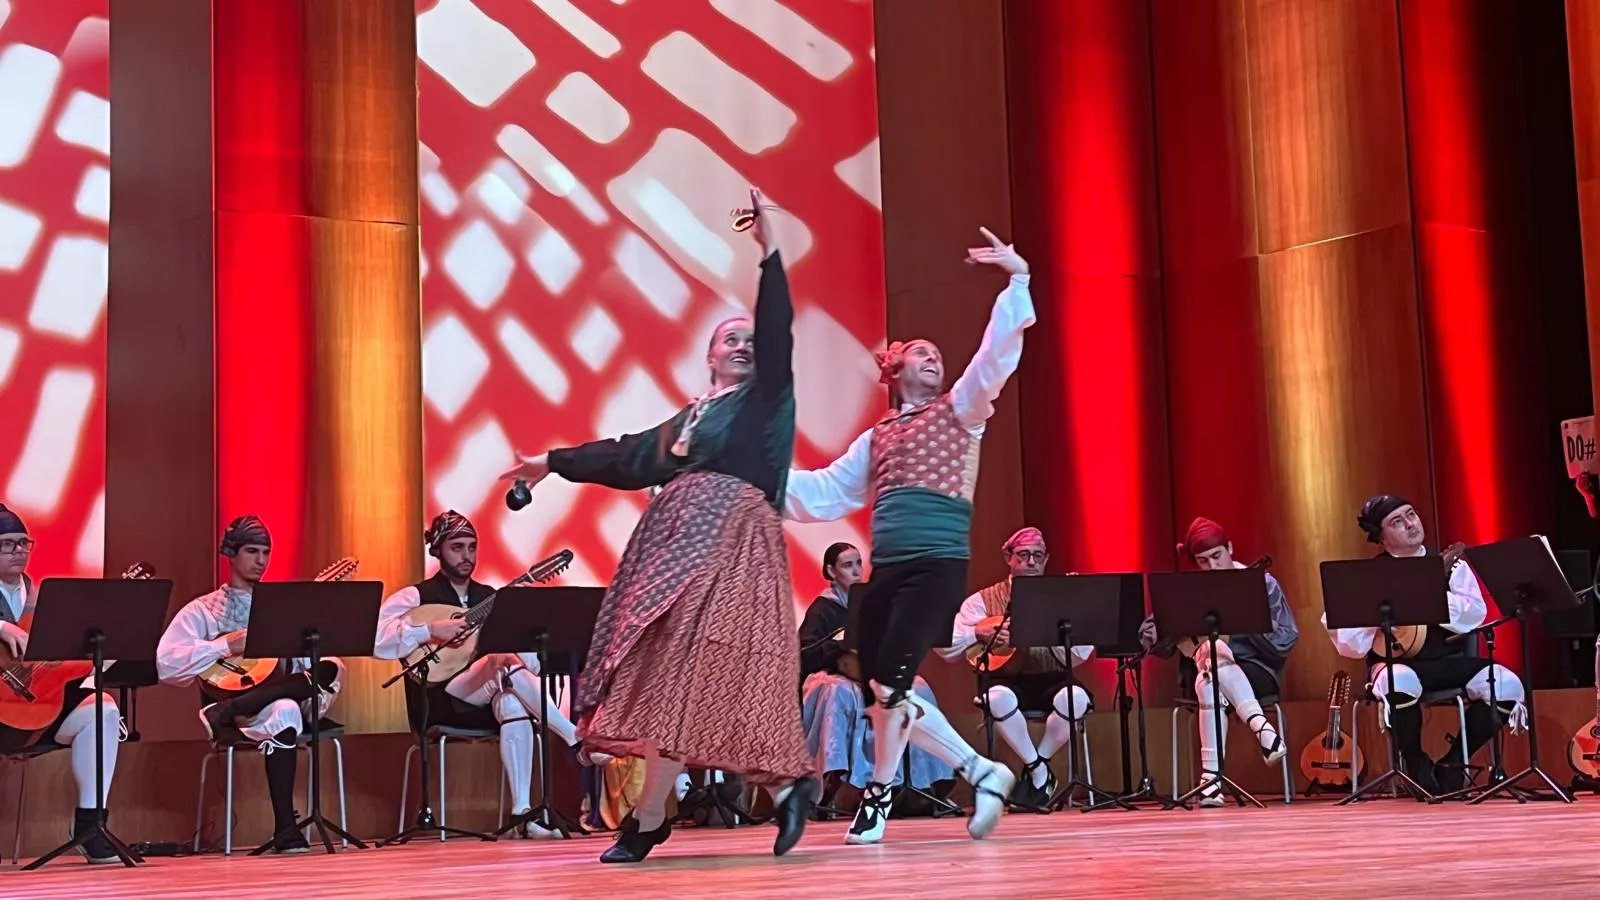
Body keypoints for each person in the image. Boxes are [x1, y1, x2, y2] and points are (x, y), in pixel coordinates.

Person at [498, 190, 816, 863]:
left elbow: (779, 331)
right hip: (673, 543)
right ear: (708, 356)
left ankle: (739, 794)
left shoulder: (766, 402)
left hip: (731, 539)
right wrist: (550, 463)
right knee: (667, 676)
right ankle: (657, 814)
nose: (745, 346)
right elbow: (625, 454)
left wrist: (770, 253)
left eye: (751, 341)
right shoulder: (688, 420)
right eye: (731, 339)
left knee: (702, 674)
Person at [784, 226, 1033, 845]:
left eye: (935, 354)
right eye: (919, 352)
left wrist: (1018, 279)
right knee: (879, 691)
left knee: (890, 685)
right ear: (892, 370)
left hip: (935, 565)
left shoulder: (961, 410)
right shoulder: (878, 437)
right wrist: (753, 477)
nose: (933, 357)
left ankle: (878, 797)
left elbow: (994, 358)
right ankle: (982, 771)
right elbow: (822, 493)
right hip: (887, 573)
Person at [374, 510, 601, 838]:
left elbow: (531, 665)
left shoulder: (489, 598)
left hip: (485, 699)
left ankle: (521, 816)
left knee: (511, 700)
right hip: (439, 699)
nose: (466, 556)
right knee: (502, 663)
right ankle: (573, 736)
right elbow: (377, 639)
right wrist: (430, 630)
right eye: (457, 547)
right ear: (437, 550)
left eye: (471, 547)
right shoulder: (416, 597)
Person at [156, 515, 344, 853]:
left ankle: (227, 712)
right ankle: (287, 827)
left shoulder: (280, 605)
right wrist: (225, 646)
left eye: (266, 552)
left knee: (329, 668)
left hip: (270, 699)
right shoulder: (204, 610)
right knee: (286, 708)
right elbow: (166, 663)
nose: (261, 561)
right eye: (252, 551)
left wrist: (305, 641)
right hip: (239, 694)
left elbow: (294, 665)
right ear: (231, 553)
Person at [1324, 495, 1526, 794]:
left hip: (1447, 662)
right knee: (1399, 681)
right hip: (1396, 664)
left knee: (1507, 685)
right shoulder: (1368, 577)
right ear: (1381, 537)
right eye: (1397, 522)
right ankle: (1416, 762)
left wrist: (1427, 593)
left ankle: (1453, 763)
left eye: (1411, 515)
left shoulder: (1450, 567)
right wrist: (1376, 613)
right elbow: (1347, 644)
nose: (1410, 524)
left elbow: (1475, 615)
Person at [1141, 517, 1296, 806]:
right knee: (1209, 666)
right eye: (1202, 561)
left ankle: (1210, 781)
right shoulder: (1191, 590)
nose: (1212, 566)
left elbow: (1286, 637)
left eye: (1217, 556)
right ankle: (1262, 729)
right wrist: (1177, 625)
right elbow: (1149, 635)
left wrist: (1246, 620)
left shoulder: (1261, 583)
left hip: (1255, 671)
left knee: (1212, 663)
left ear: (1230, 548)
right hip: (1202, 676)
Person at [0, 504, 124, 863]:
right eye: (8, 544)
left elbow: (61, 667)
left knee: (103, 709)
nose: (19, 551)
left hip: (36, 711)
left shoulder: (43, 598)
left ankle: (90, 824)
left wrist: (100, 652)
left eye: (24, 543)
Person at [798, 543, 954, 823]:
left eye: (859, 563)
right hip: (832, 674)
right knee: (839, 692)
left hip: (870, 674)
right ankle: (829, 788)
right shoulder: (822, 609)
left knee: (918, 687)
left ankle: (920, 787)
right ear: (831, 571)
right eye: (848, 565)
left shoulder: (873, 603)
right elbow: (805, 653)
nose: (857, 571)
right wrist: (838, 647)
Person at [939, 527, 1092, 811]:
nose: (1031, 562)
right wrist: (979, 633)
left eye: (1037, 556)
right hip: (1004, 679)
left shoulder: (1063, 596)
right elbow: (948, 649)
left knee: (1076, 700)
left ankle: (1038, 768)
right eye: (1023, 555)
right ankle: (1038, 770)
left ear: (1046, 559)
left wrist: (1052, 629)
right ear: (1008, 558)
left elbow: (1082, 654)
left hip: (1052, 678)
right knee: (996, 699)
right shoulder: (982, 600)